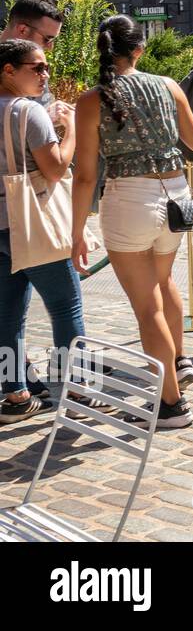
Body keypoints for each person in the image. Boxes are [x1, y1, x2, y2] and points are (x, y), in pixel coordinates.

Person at [71, 16, 193, 428]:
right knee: (165, 285)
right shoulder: (166, 85)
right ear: (138, 50)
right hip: (175, 199)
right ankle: (179, 362)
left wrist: (76, 230)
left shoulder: (91, 100)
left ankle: (171, 404)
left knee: (147, 307)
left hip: (129, 202)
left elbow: (86, 175)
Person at [0, 40, 83, 425]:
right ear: (8, 70)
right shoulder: (29, 112)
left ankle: (15, 393)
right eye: (37, 67)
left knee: (7, 314)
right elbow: (55, 168)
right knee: (66, 306)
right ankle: (78, 387)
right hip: (32, 223)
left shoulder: (26, 111)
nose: (45, 74)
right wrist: (72, 130)